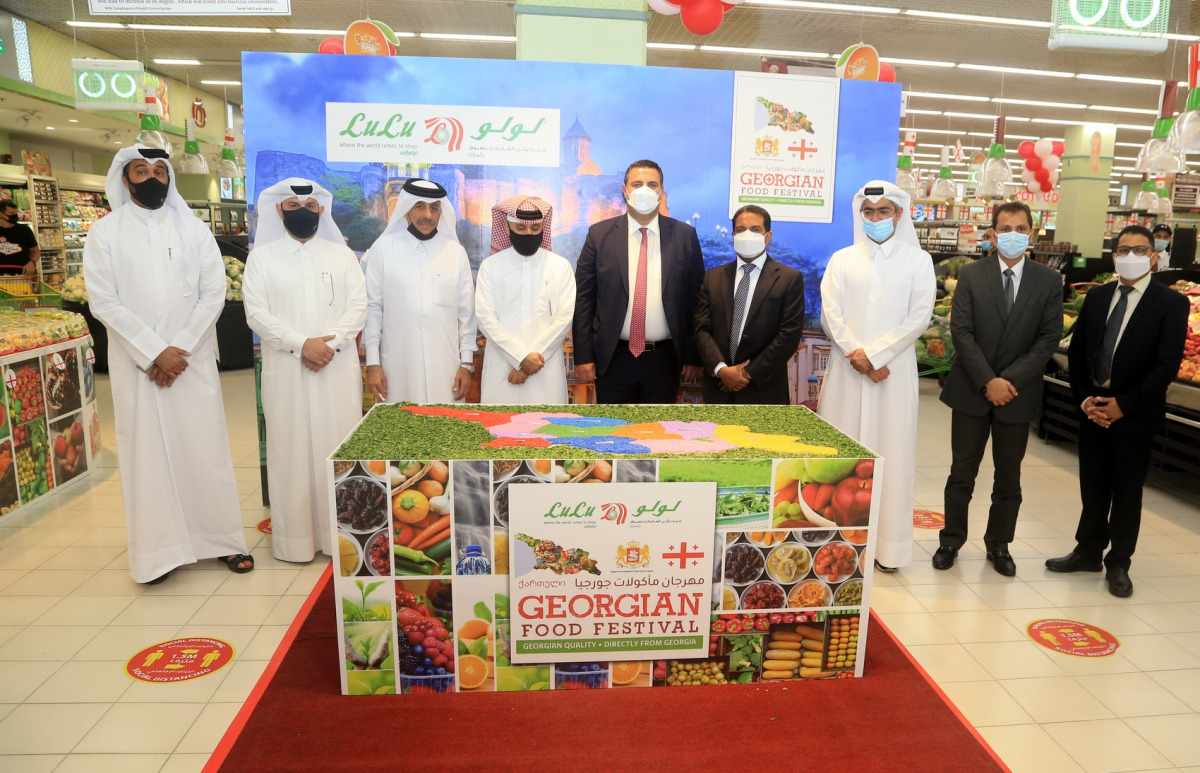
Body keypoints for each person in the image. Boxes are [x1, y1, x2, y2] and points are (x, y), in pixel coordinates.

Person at [83, 145, 252, 584]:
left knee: (205, 451)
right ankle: (159, 554)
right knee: (147, 456)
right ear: (125, 179)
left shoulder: (194, 230)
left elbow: (213, 293)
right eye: (141, 170)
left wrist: (177, 349)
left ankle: (223, 541)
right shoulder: (105, 233)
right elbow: (103, 301)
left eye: (160, 170)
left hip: (189, 361)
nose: (152, 177)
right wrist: (154, 352)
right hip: (138, 366)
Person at [1046, 226, 1188, 597]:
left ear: (1154, 256)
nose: (1131, 256)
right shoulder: (1097, 298)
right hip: (1092, 408)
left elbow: (1166, 365)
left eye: (1140, 249)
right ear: (1113, 256)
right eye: (1123, 250)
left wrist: (1123, 405)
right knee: (1093, 486)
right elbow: (1078, 355)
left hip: (1134, 414)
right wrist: (1085, 400)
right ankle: (1088, 550)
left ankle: (1119, 561)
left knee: (1127, 491)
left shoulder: (1170, 303)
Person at [934, 201, 1063, 576]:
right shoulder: (972, 275)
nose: (1013, 234)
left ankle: (999, 543)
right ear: (992, 234)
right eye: (1005, 228)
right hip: (973, 389)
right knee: (962, 472)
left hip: (1017, 393)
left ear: (1032, 232)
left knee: (1009, 476)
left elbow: (1049, 337)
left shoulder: (1047, 280)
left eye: (1021, 228)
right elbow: (962, 331)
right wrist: (988, 380)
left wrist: (1009, 381)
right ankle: (951, 539)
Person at [242, 178, 368, 562]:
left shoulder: (342, 256)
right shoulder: (261, 258)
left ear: (322, 211)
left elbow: (358, 306)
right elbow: (256, 313)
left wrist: (328, 345)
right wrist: (302, 344)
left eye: (310, 207)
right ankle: (294, 541)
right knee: (290, 453)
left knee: (338, 449)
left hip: (335, 367)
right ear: (279, 211)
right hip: (287, 369)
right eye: (293, 206)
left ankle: (339, 539)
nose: (302, 213)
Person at [818, 181, 937, 572]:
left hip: (892, 375)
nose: (875, 219)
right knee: (842, 456)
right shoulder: (842, 259)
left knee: (893, 456)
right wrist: (860, 355)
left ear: (899, 214)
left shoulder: (918, 262)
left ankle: (889, 549)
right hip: (849, 372)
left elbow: (919, 316)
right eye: (868, 212)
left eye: (883, 211)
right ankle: (837, 546)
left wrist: (876, 354)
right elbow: (829, 314)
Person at [572, 159, 705, 404]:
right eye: (637, 184)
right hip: (613, 358)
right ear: (625, 190)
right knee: (612, 433)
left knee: (659, 434)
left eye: (652, 184)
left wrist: (693, 356)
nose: (644, 190)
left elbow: (695, 302)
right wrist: (583, 356)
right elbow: (584, 301)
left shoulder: (685, 236)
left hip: (665, 360)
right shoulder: (599, 235)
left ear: (661, 192)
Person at [362, 178, 477, 404]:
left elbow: (466, 315)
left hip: (447, 368)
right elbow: (372, 308)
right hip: (398, 368)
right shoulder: (383, 249)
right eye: (420, 206)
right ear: (407, 210)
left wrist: (466, 364)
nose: (428, 215)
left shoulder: (455, 252)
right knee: (401, 431)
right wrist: (373, 364)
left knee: (446, 430)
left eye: (434, 208)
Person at [695, 204, 805, 404]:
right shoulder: (713, 277)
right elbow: (701, 330)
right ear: (733, 235)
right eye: (740, 230)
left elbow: (789, 335)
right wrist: (722, 370)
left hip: (764, 389)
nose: (747, 234)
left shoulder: (789, 278)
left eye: (755, 229)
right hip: (718, 388)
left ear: (768, 236)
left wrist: (745, 374)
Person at [475, 195, 575, 405]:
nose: (528, 233)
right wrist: (520, 358)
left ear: (543, 227)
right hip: (502, 369)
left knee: (548, 432)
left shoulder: (560, 266)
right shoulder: (490, 266)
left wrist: (531, 362)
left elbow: (564, 320)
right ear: (507, 226)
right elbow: (485, 319)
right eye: (520, 228)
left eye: (535, 228)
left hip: (545, 370)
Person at [0, 199, 39, 278]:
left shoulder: (24, 230)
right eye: (12, 213)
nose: (15, 216)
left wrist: (32, 262)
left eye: (16, 213)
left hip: (22, 276)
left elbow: (36, 251)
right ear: (1, 214)